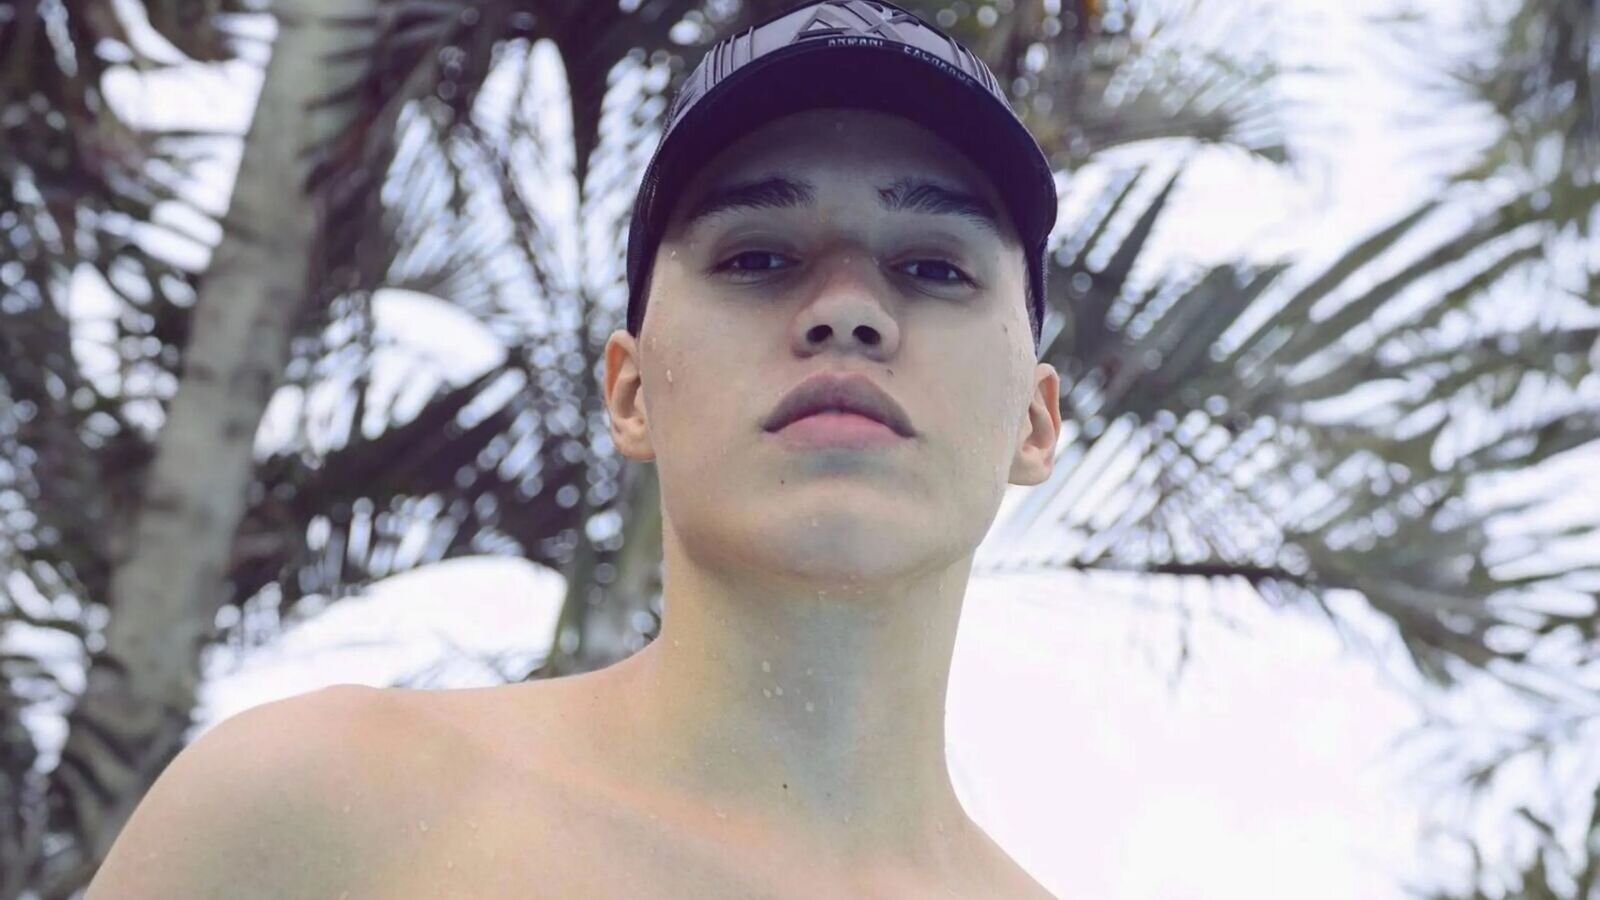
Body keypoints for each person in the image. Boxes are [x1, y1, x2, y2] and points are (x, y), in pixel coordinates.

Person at [86, 2, 1062, 897]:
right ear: (630, 394)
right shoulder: (316, 812)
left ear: (1035, 418)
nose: (847, 309)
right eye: (757, 256)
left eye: (933, 266)